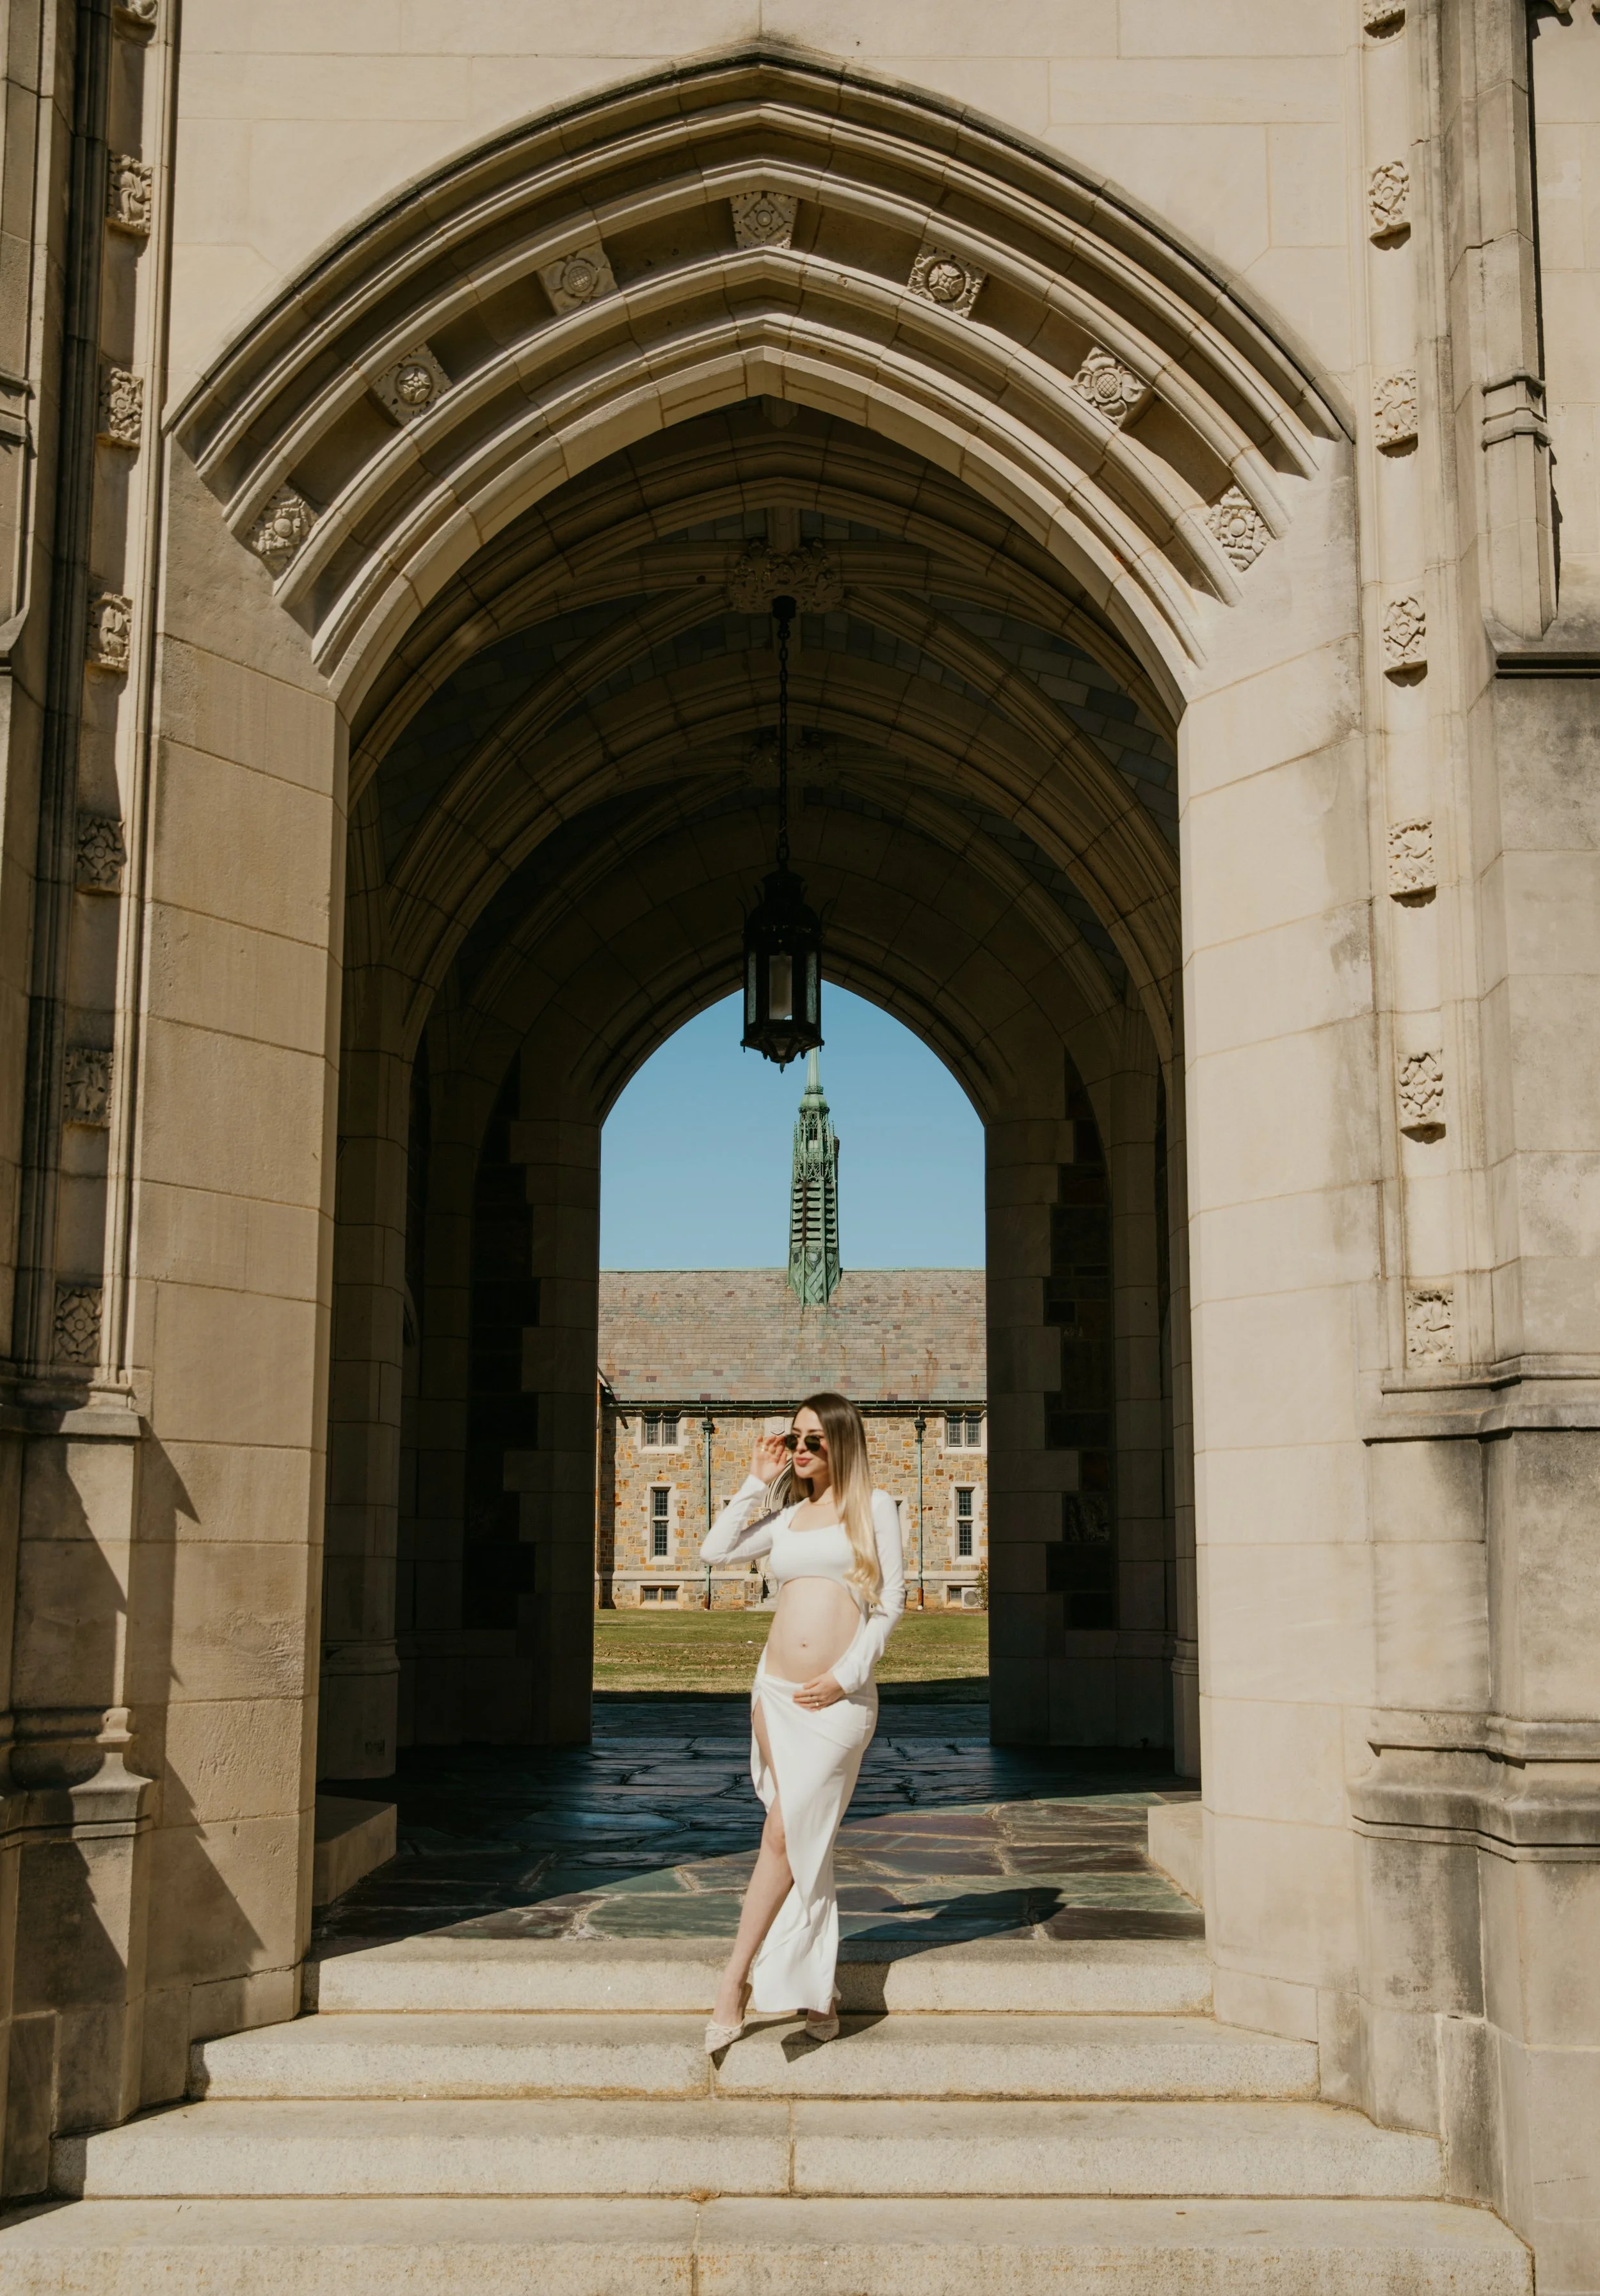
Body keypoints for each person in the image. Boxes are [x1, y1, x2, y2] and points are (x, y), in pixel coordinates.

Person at [700, 1391, 905, 2053]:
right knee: (798, 1842)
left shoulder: (872, 1509)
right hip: (776, 1695)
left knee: (788, 1836)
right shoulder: (785, 1519)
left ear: (842, 1443)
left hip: (837, 1703)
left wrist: (844, 1676)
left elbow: (889, 1605)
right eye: (794, 1439)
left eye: (814, 1440)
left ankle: (734, 1981)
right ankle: (818, 1993)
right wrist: (755, 1482)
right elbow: (714, 1551)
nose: (802, 1451)